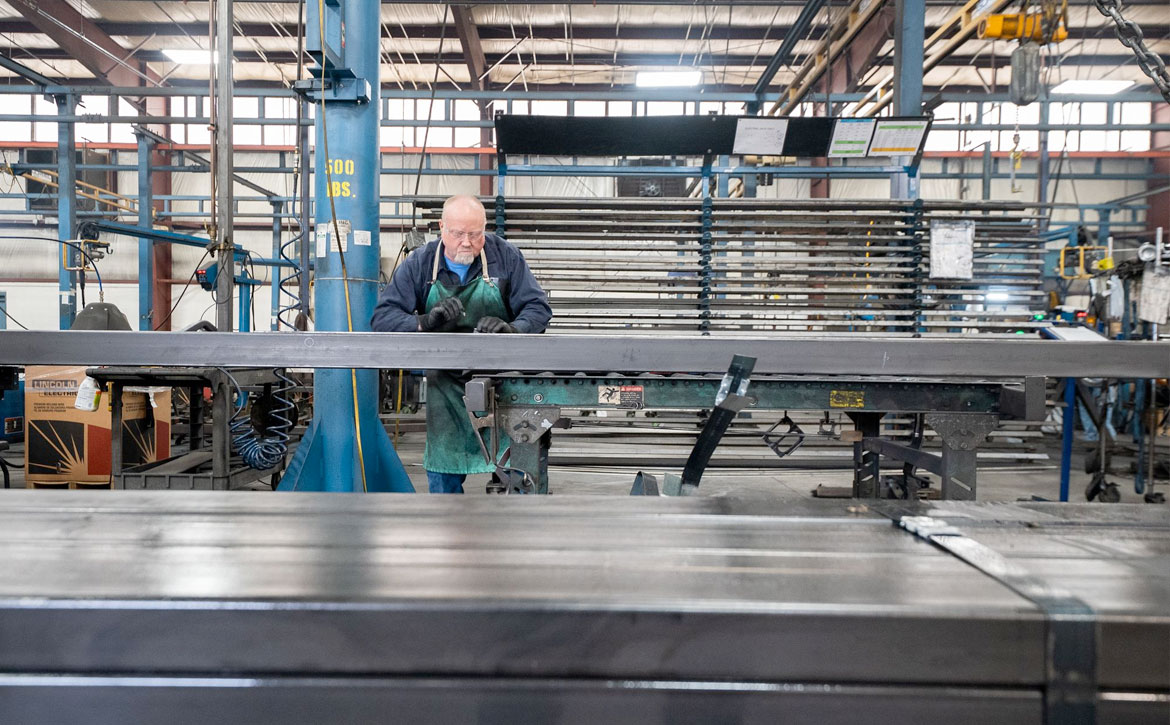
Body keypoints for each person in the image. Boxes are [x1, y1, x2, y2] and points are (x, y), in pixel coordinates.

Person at [371, 195, 552, 494]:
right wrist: (425, 322)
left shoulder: (506, 257)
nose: (466, 242)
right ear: (442, 228)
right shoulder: (420, 263)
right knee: (444, 480)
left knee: (517, 479)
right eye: (457, 234)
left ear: (485, 229)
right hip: (445, 386)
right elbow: (382, 318)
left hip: (501, 382)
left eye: (475, 234)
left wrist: (513, 328)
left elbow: (538, 309)